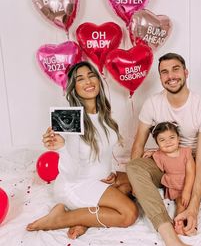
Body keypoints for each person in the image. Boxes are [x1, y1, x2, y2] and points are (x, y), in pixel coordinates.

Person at [126, 52, 201, 246]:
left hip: (196, 157)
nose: (171, 76)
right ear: (160, 78)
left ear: (185, 72)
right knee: (134, 167)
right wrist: (136, 183)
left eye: (175, 69)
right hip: (167, 161)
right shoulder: (152, 103)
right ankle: (171, 238)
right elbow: (138, 145)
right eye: (164, 72)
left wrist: (192, 207)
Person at [27, 61, 138, 239]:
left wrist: (108, 173)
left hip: (99, 179)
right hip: (76, 184)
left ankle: (84, 218)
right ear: (74, 88)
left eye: (91, 75)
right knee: (129, 214)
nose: (88, 81)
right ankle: (61, 218)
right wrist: (61, 147)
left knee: (135, 183)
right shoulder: (70, 119)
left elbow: (102, 153)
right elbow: (71, 172)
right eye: (80, 79)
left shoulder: (104, 115)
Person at [149, 121, 201, 235]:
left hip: (193, 183)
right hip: (177, 188)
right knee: (182, 203)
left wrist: (187, 190)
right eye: (162, 140)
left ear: (178, 138)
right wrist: (151, 153)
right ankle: (181, 224)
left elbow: (191, 172)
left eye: (171, 137)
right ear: (157, 143)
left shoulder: (185, 152)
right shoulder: (158, 155)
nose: (168, 142)